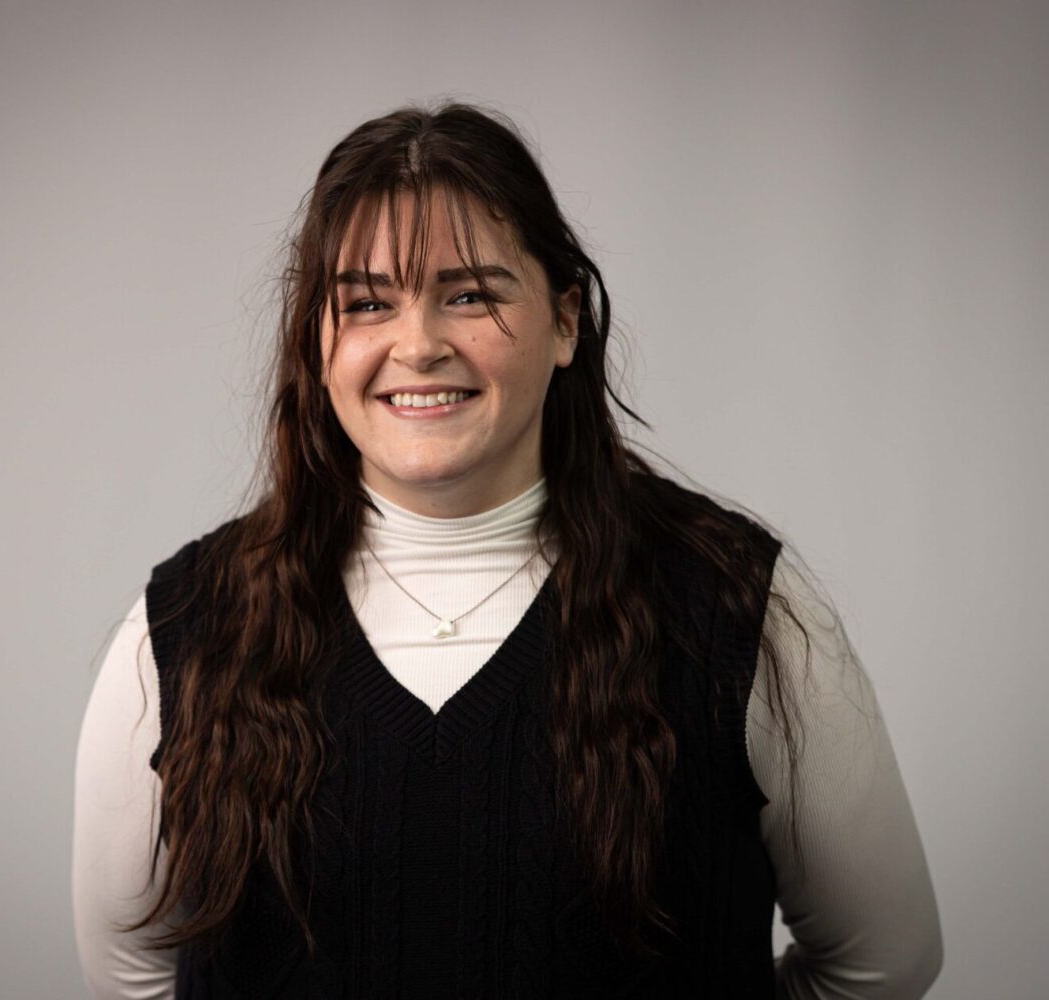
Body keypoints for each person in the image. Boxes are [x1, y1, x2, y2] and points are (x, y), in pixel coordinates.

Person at [72, 102, 943, 998]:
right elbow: (131, 969)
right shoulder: (186, 628)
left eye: (470, 294)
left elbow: (882, 962)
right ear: (318, 341)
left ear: (566, 321)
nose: (418, 345)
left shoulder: (733, 608)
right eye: (367, 303)